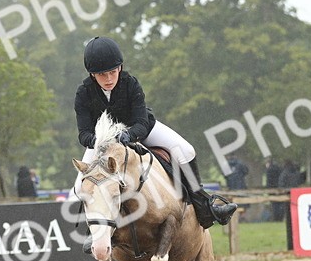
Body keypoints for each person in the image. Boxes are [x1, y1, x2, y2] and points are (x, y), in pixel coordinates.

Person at [73, 36, 237, 228]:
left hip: (140, 131)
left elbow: (141, 123)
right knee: (78, 187)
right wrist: (100, 141)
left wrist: (128, 136)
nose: (109, 79)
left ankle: (204, 207)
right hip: (103, 144)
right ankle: (95, 232)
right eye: (102, 75)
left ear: (120, 68)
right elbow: (83, 134)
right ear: (93, 75)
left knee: (186, 150)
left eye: (112, 72)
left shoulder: (131, 84)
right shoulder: (83, 93)